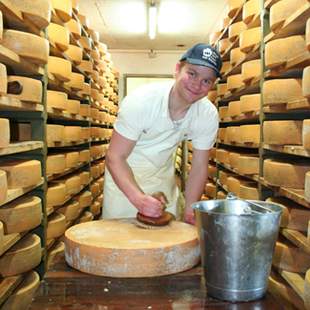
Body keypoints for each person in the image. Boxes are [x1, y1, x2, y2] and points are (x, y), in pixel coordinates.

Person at [102, 43, 222, 224]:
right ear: (177, 69)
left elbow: (199, 166)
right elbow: (114, 156)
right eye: (192, 74)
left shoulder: (207, 114)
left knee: (166, 247)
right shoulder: (141, 102)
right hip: (124, 182)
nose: (197, 85)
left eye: (206, 81)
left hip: (162, 183)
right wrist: (138, 199)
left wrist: (191, 207)